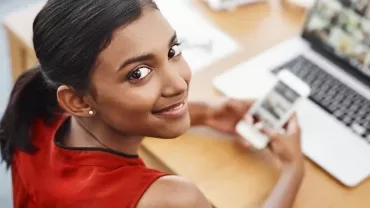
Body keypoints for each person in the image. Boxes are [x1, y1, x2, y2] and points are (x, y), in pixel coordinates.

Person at [0, 0, 304, 207]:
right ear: (77, 100)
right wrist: (293, 170)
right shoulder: (170, 199)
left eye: (173, 50)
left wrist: (206, 112)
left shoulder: (38, 107)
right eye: (138, 73)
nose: (179, 83)